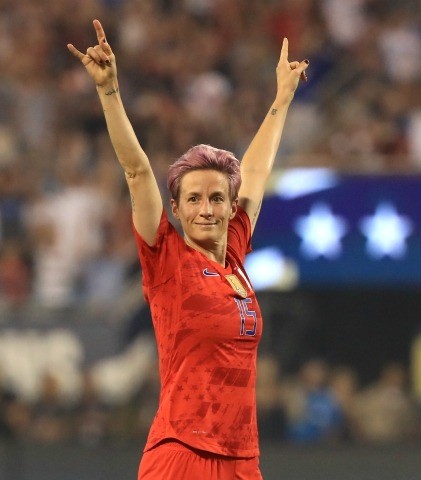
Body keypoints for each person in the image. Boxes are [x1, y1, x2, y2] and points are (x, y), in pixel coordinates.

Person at [68, 19, 308, 480]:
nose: (206, 209)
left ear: (230, 206)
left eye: (217, 198)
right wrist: (109, 92)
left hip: (242, 460)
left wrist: (282, 99)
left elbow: (255, 173)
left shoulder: (235, 256)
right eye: (193, 199)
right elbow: (137, 171)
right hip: (181, 456)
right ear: (175, 208)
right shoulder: (167, 260)